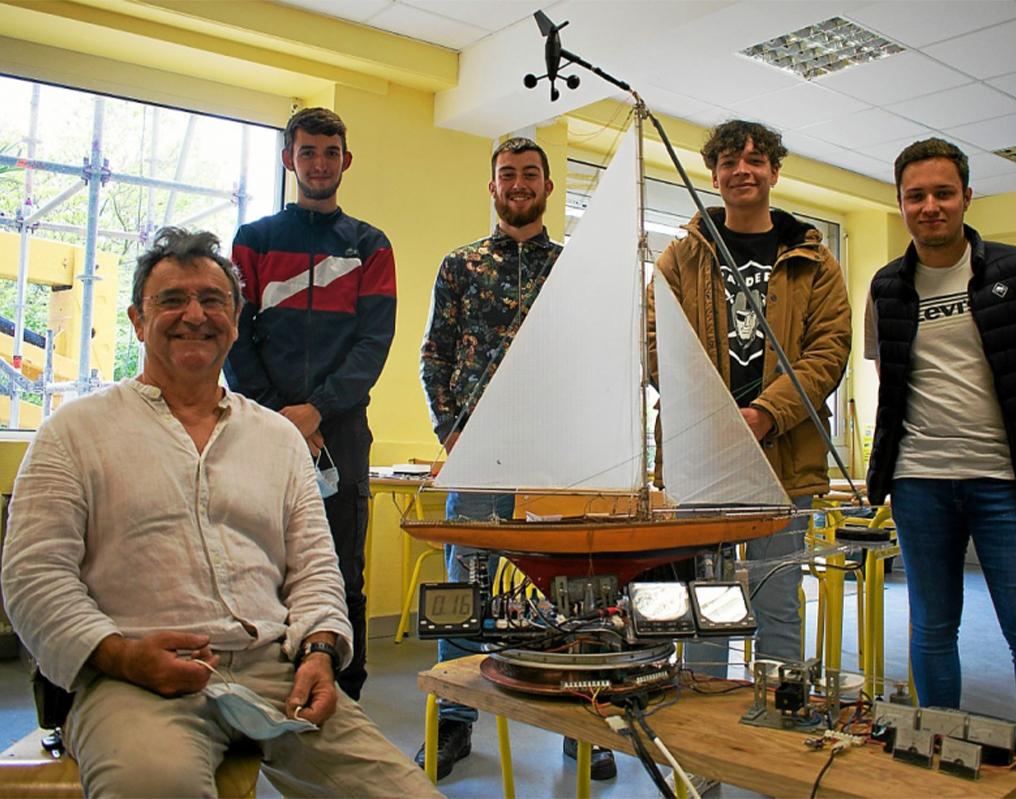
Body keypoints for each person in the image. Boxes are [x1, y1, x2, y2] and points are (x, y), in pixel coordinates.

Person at [0, 228, 438, 798]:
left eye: (213, 300)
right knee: (158, 788)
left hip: (276, 672)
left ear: (236, 321)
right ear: (137, 320)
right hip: (134, 679)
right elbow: (34, 577)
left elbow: (314, 568)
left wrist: (320, 650)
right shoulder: (74, 433)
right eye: (172, 300)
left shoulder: (278, 438)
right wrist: (125, 657)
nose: (195, 315)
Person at [418, 137, 617, 780]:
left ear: (549, 187)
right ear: (493, 187)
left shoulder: (572, 269)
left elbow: (596, 360)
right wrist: (454, 436)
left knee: (571, 591)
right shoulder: (461, 265)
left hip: (559, 460)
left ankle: (579, 720)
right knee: (463, 591)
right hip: (481, 458)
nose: (519, 183)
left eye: (531, 174)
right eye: (508, 175)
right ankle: (452, 721)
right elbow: (435, 357)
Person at [864, 137, 1016, 740]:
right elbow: (891, 378)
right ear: (901, 203)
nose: (931, 206)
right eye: (916, 195)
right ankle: (939, 756)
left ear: (967, 198)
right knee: (931, 627)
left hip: (1007, 479)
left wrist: (1009, 418)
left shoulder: (1015, 269)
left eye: (944, 193)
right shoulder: (885, 287)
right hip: (920, 481)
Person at [651, 119, 852, 673]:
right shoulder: (679, 260)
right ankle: (699, 742)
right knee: (704, 607)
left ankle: (777, 727)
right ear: (712, 176)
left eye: (756, 160)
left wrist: (765, 414)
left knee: (778, 602)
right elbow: (653, 341)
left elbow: (828, 352)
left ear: (774, 172)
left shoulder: (815, 262)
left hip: (785, 461)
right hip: (701, 461)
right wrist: (713, 415)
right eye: (730, 162)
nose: (743, 170)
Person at [224, 107, 395, 700]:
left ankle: (344, 693)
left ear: (345, 161)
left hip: (340, 432)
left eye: (330, 153)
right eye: (307, 152)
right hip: (261, 427)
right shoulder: (254, 241)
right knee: (261, 559)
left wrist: (318, 410)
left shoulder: (370, 246)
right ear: (288, 159)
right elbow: (235, 337)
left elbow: (373, 343)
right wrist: (281, 415)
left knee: (343, 565)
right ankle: (266, 687)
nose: (318, 164)